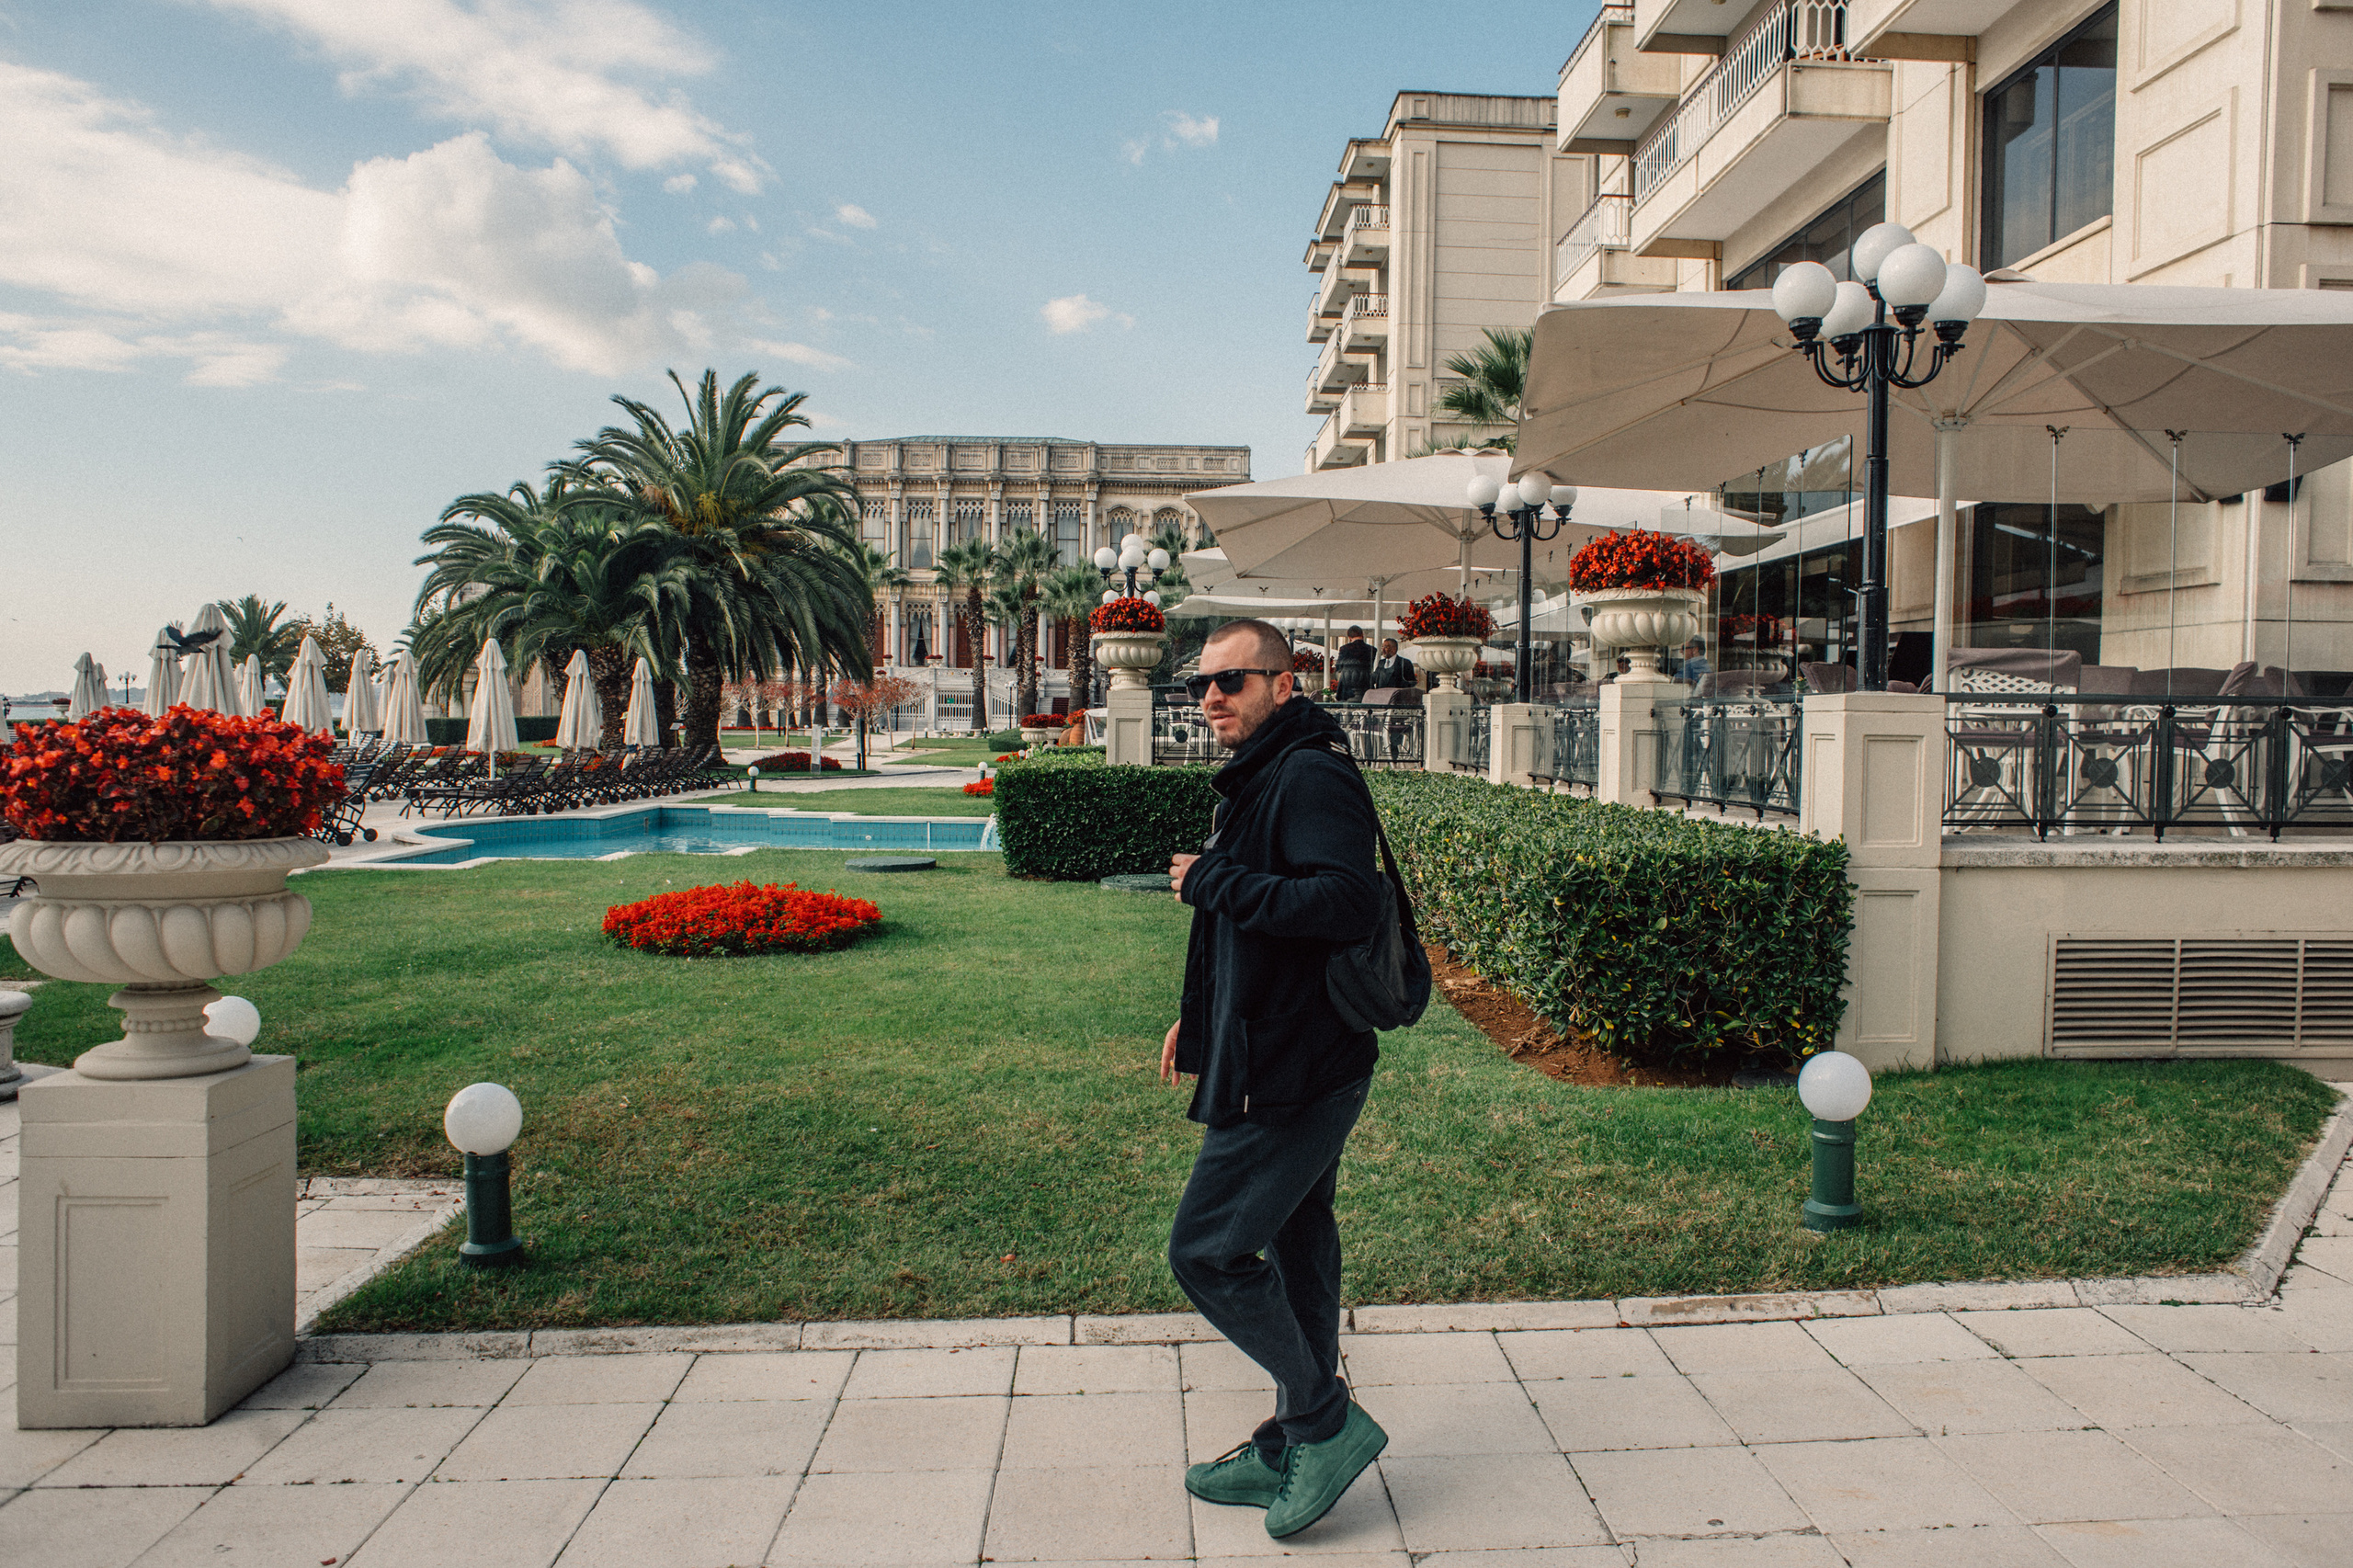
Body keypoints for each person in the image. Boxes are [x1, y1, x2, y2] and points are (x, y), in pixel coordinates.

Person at [1162, 618, 1391, 1540]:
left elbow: (1343, 900)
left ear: (1284, 685)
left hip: (1298, 1062)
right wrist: (1203, 1013)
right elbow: (1247, 928)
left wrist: (1212, 880)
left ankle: (1320, 1418)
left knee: (1207, 1249)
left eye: (1233, 681)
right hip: (1276, 1043)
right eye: (1201, 685)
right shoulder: (1265, 771)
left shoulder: (1309, 773)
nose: (1211, 697)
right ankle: (1293, 1438)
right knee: (1296, 1236)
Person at [1332, 626, 1373, 701]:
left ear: (1349, 637)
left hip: (1347, 687)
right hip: (1365, 684)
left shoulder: (1344, 648)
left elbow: (1338, 667)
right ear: (1362, 635)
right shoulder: (1372, 649)